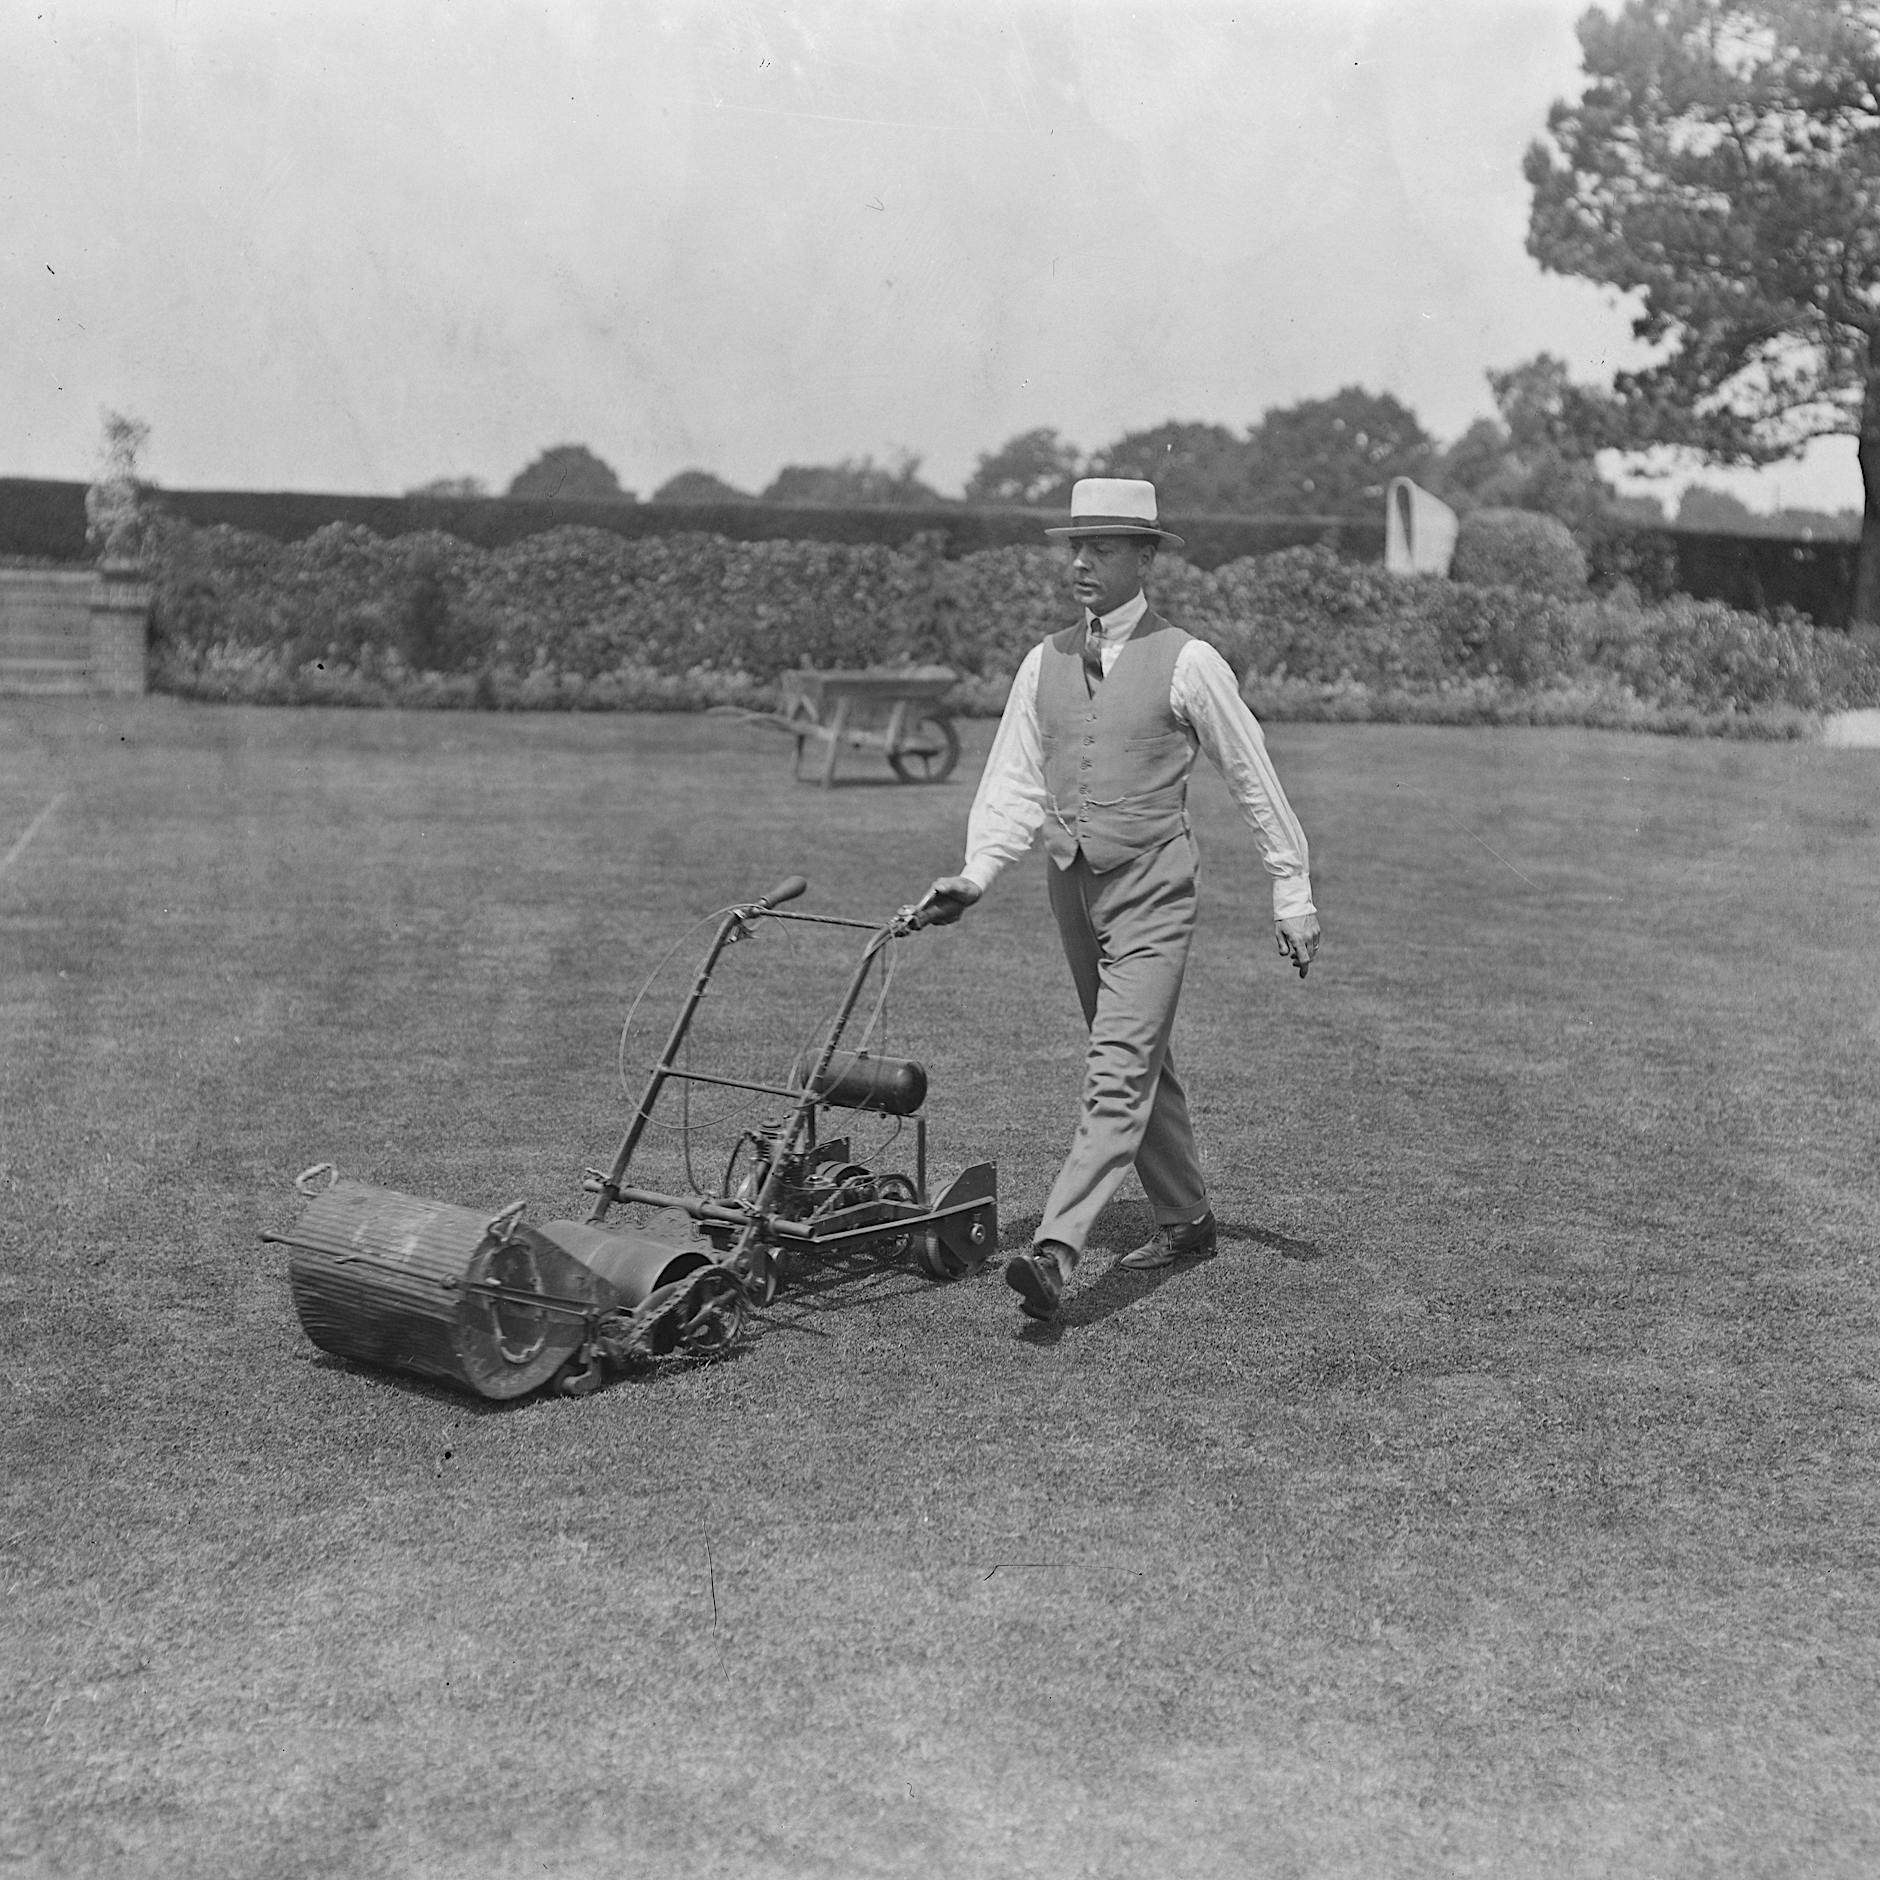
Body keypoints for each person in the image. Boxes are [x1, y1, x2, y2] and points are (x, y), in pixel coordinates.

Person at [925, 477, 1319, 1321]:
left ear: (1145, 558)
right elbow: (1013, 783)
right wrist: (975, 875)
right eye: (1076, 546)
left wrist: (1292, 889)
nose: (1081, 562)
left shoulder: (1190, 661)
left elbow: (1253, 776)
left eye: (1101, 547)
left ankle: (1056, 1251)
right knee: (1141, 1061)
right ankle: (1188, 1218)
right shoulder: (1044, 661)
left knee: (1116, 1070)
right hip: (1071, 886)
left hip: (1153, 890)